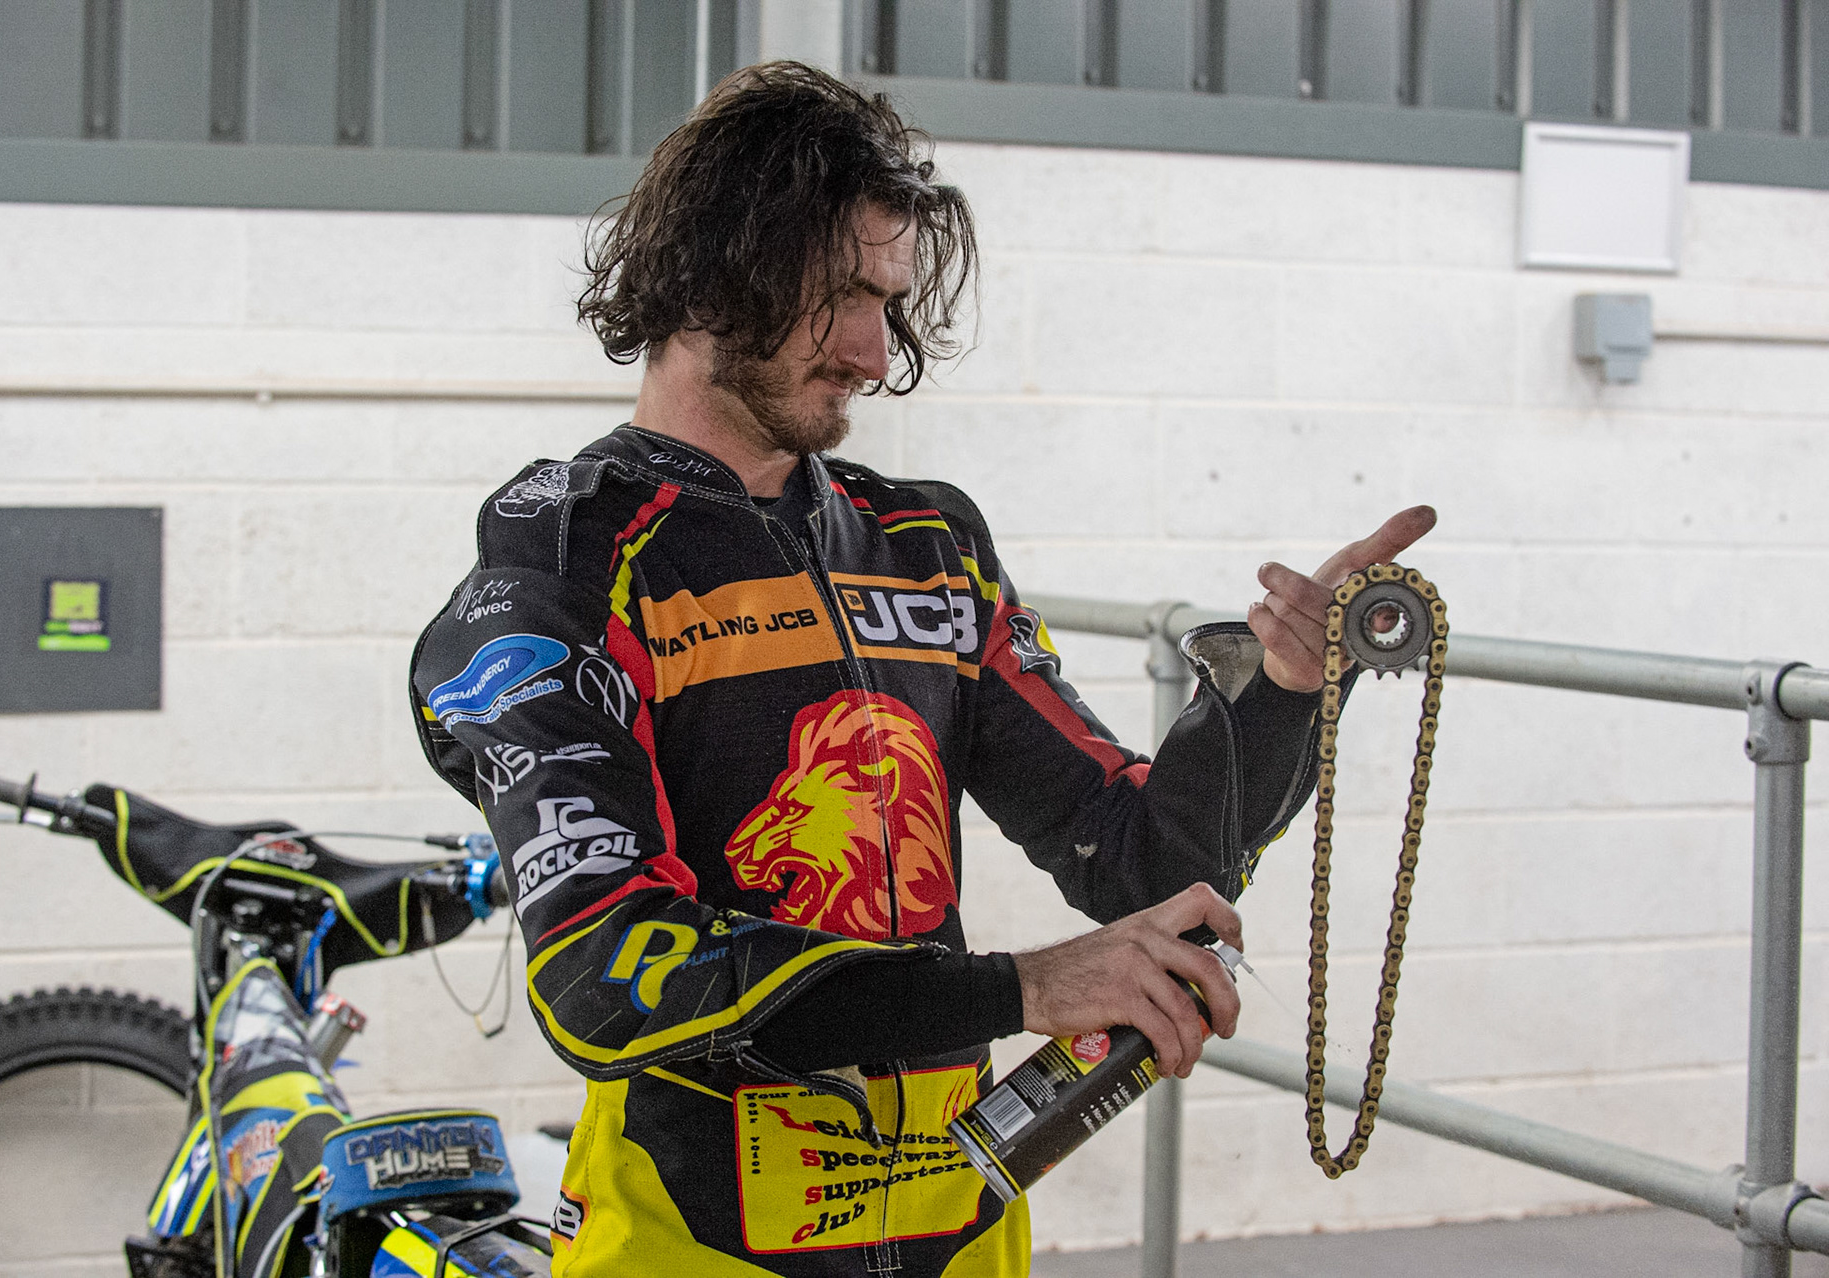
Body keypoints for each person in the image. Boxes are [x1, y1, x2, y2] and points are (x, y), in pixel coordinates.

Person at [410, 61, 1434, 1278]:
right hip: (692, 1246)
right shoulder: (570, 562)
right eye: (844, 294)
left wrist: (1283, 692)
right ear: (709, 267)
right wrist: (1024, 991)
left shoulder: (926, 546)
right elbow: (607, 975)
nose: (875, 349)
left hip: (963, 1230)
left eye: (890, 300)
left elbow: (1140, 854)